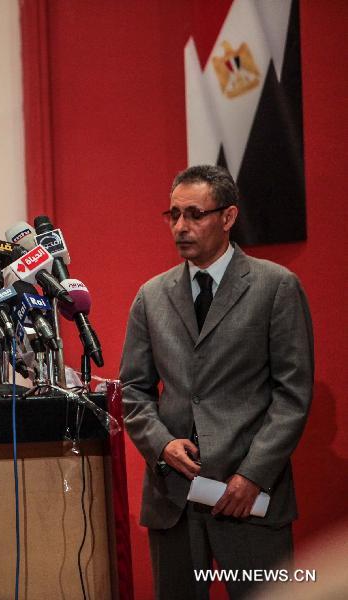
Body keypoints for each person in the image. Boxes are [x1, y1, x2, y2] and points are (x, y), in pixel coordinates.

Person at [120, 165, 313, 599]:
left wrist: (253, 475)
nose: (181, 227)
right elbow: (133, 389)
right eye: (173, 215)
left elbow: (293, 395)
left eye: (194, 214)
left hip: (248, 500)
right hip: (173, 499)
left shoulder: (276, 286)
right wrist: (160, 444)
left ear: (227, 218)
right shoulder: (151, 295)